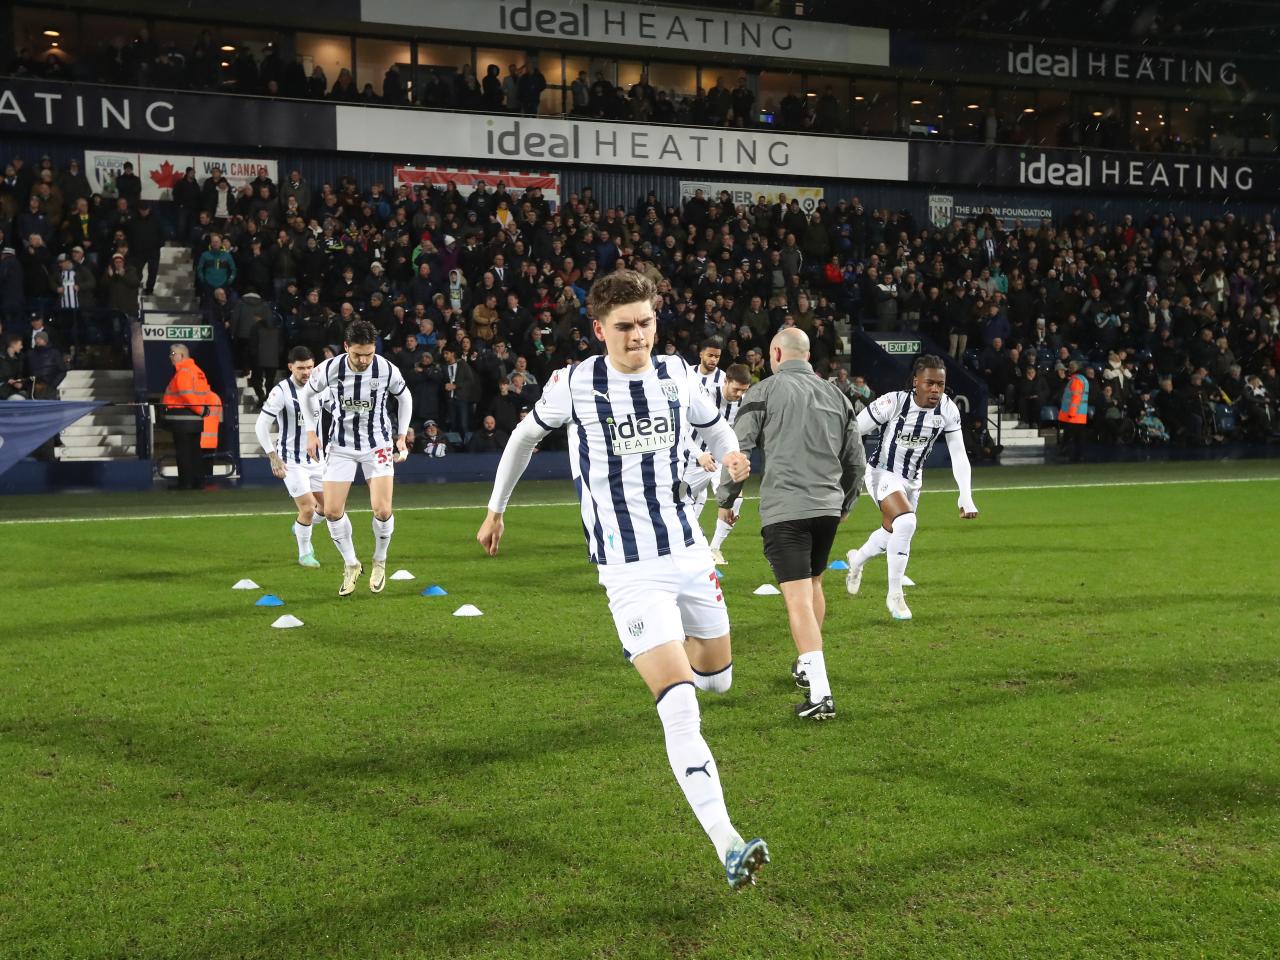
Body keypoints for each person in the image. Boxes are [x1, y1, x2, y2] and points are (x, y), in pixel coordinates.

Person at [476, 269, 769, 889]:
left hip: (690, 554)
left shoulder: (678, 374)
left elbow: (715, 426)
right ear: (598, 329)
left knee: (718, 680)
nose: (638, 336)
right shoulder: (575, 384)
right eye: (624, 326)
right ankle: (728, 842)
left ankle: (654, 647)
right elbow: (524, 438)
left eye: (646, 323)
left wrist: (730, 454)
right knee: (681, 705)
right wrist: (496, 508)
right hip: (630, 570)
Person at [717, 329, 865, 721]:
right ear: (808, 355)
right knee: (814, 584)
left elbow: (738, 452)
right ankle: (805, 666)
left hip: (787, 510)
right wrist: (846, 502)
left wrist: (727, 500)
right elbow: (856, 459)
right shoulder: (837, 395)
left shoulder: (764, 391)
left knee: (797, 597)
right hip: (827, 509)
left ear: (777, 354)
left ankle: (821, 693)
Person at [844, 355, 978, 620]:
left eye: (940, 384)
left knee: (890, 533)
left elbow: (958, 453)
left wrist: (966, 495)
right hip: (882, 473)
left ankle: (856, 560)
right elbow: (853, 430)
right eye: (930, 383)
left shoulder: (948, 409)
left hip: (913, 481)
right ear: (916, 382)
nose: (935, 389)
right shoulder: (893, 402)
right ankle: (895, 596)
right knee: (906, 523)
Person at [299, 320, 412, 596]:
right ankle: (351, 564)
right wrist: (311, 432)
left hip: (378, 444)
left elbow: (405, 398)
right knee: (331, 511)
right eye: (358, 354)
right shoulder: (330, 368)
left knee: (382, 510)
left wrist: (401, 436)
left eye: (369, 354)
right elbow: (307, 395)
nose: (363, 360)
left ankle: (379, 560)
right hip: (341, 445)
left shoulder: (386, 369)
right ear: (346, 346)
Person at [255, 346, 327, 567]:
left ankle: (299, 526)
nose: (306, 372)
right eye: (301, 368)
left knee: (327, 510)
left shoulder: (321, 387)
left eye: (309, 367)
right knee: (307, 508)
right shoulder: (281, 391)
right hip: (292, 461)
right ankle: (304, 554)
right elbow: (261, 425)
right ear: (290, 367)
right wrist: (273, 456)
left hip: (317, 459)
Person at [682, 363, 750, 564]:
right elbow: (681, 429)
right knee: (678, 503)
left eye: (743, 390)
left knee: (734, 498)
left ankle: (714, 549)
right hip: (694, 459)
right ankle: (687, 545)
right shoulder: (703, 396)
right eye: (736, 389)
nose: (739, 394)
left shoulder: (745, 402)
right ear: (725, 381)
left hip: (722, 460)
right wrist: (699, 454)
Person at [161, 343, 222, 490]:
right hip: (195, 419)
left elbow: (187, 396)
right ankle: (198, 482)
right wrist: (202, 411)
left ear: (181, 355)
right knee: (194, 452)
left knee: (184, 453)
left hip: (182, 419)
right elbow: (204, 394)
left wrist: (200, 410)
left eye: (173, 354)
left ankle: (186, 483)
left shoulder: (183, 372)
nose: (170, 357)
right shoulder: (197, 371)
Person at [1058, 360, 1089, 462]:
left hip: (1074, 415)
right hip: (1081, 414)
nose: (1068, 369)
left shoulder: (1076, 380)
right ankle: (1079, 456)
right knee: (1079, 438)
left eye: (1070, 367)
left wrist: (1071, 413)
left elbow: (1076, 398)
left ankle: (1070, 455)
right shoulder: (1083, 379)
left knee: (1071, 437)